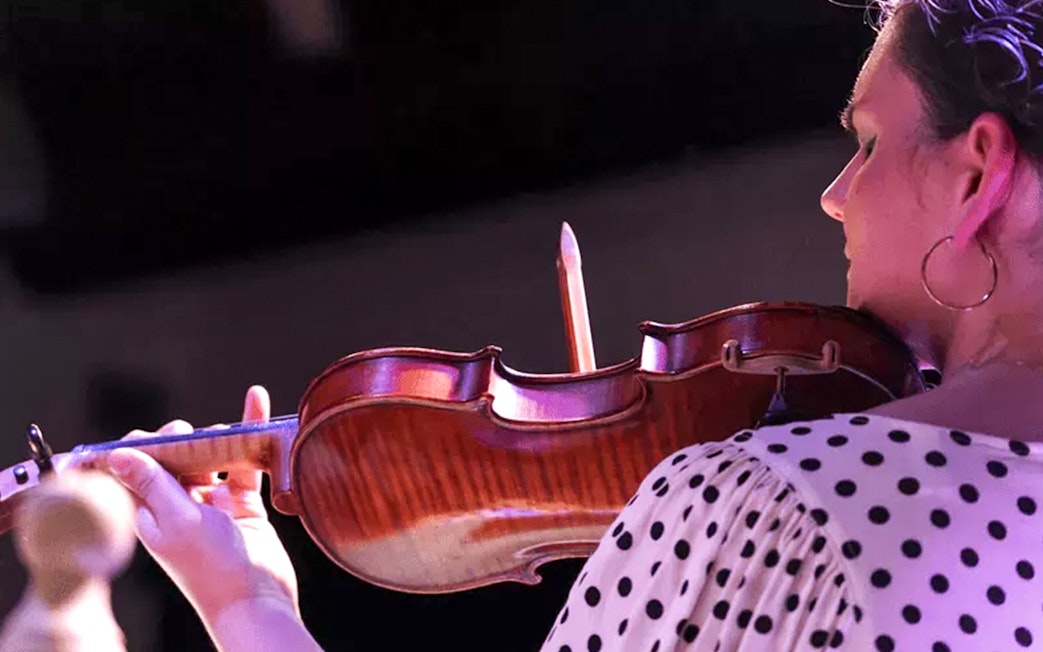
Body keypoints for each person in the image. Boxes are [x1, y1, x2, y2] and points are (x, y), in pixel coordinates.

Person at [92, 0, 1043, 649]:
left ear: (975, 172)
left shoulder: (778, 503)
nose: (837, 198)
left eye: (869, 142)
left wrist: (248, 606)